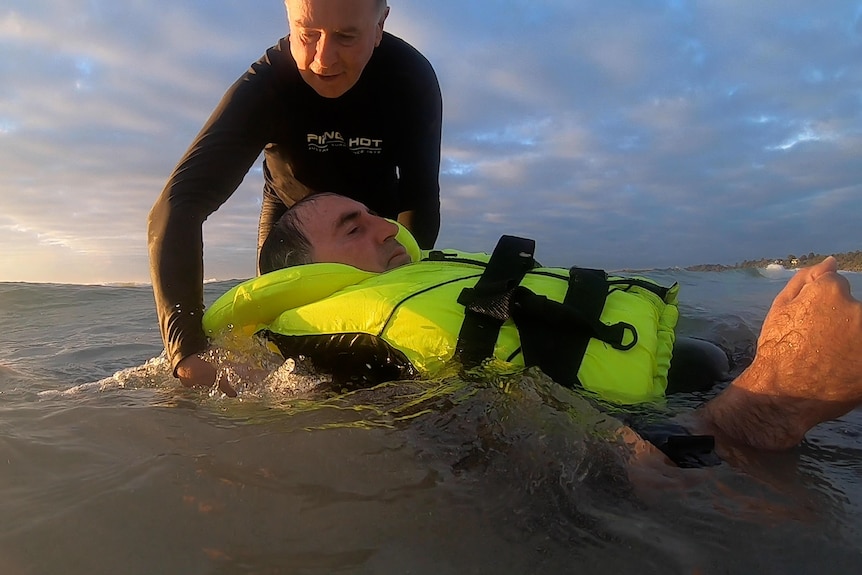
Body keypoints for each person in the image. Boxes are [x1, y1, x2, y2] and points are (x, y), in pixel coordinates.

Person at [251, 193, 862, 457]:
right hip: (710, 425)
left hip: (699, 375)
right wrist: (771, 400)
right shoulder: (364, 360)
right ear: (308, 278)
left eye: (374, 214)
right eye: (353, 229)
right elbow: (546, 462)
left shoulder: (420, 288)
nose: (386, 226)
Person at [147, 0, 442, 393]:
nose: (323, 60)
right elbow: (178, 203)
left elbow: (420, 197)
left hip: (374, 213)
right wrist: (186, 352)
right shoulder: (268, 86)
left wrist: (409, 280)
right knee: (282, 357)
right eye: (307, 35)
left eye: (346, 36)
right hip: (290, 213)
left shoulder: (410, 79)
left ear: (379, 25)